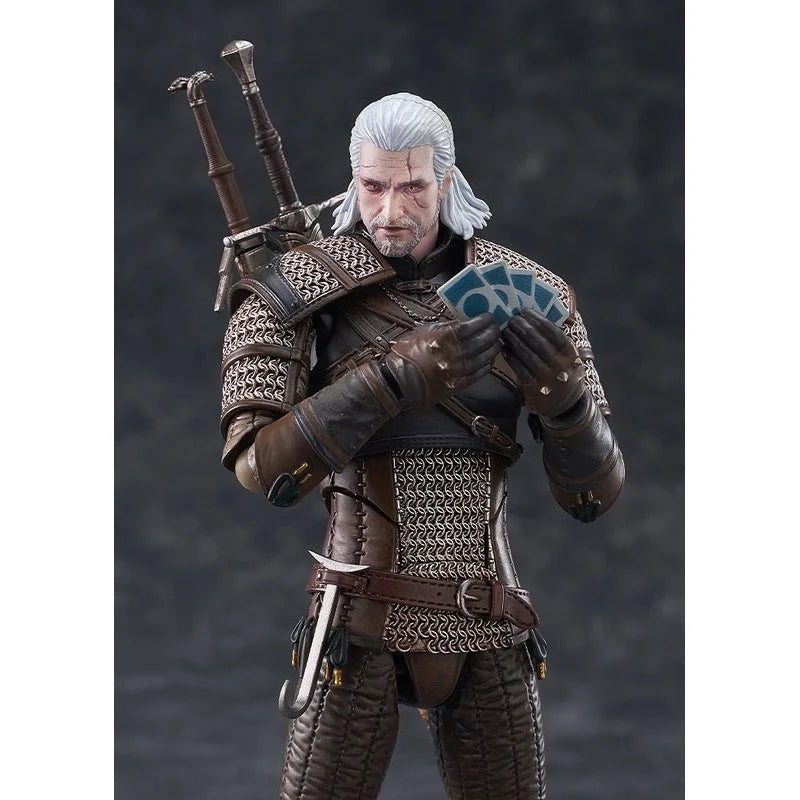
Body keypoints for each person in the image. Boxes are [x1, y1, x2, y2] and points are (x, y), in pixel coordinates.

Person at [219, 92, 624, 800]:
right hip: (355, 615)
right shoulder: (297, 291)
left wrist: (567, 406)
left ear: (447, 181)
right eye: (373, 186)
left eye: (412, 187)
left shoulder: (534, 294)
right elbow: (262, 469)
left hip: (489, 613)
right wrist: (389, 382)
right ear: (353, 181)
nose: (389, 211)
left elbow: (592, 496)